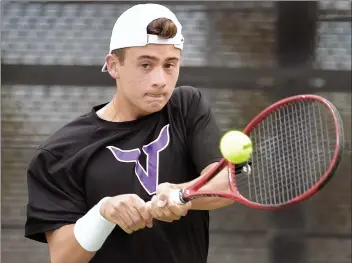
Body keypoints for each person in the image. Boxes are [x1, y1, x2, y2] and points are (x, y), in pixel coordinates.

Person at [24, 3, 234, 263]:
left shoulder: (186, 108)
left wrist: (181, 194)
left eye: (170, 64)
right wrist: (103, 214)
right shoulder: (59, 152)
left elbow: (225, 182)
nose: (160, 79)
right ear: (113, 66)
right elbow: (63, 257)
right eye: (146, 65)